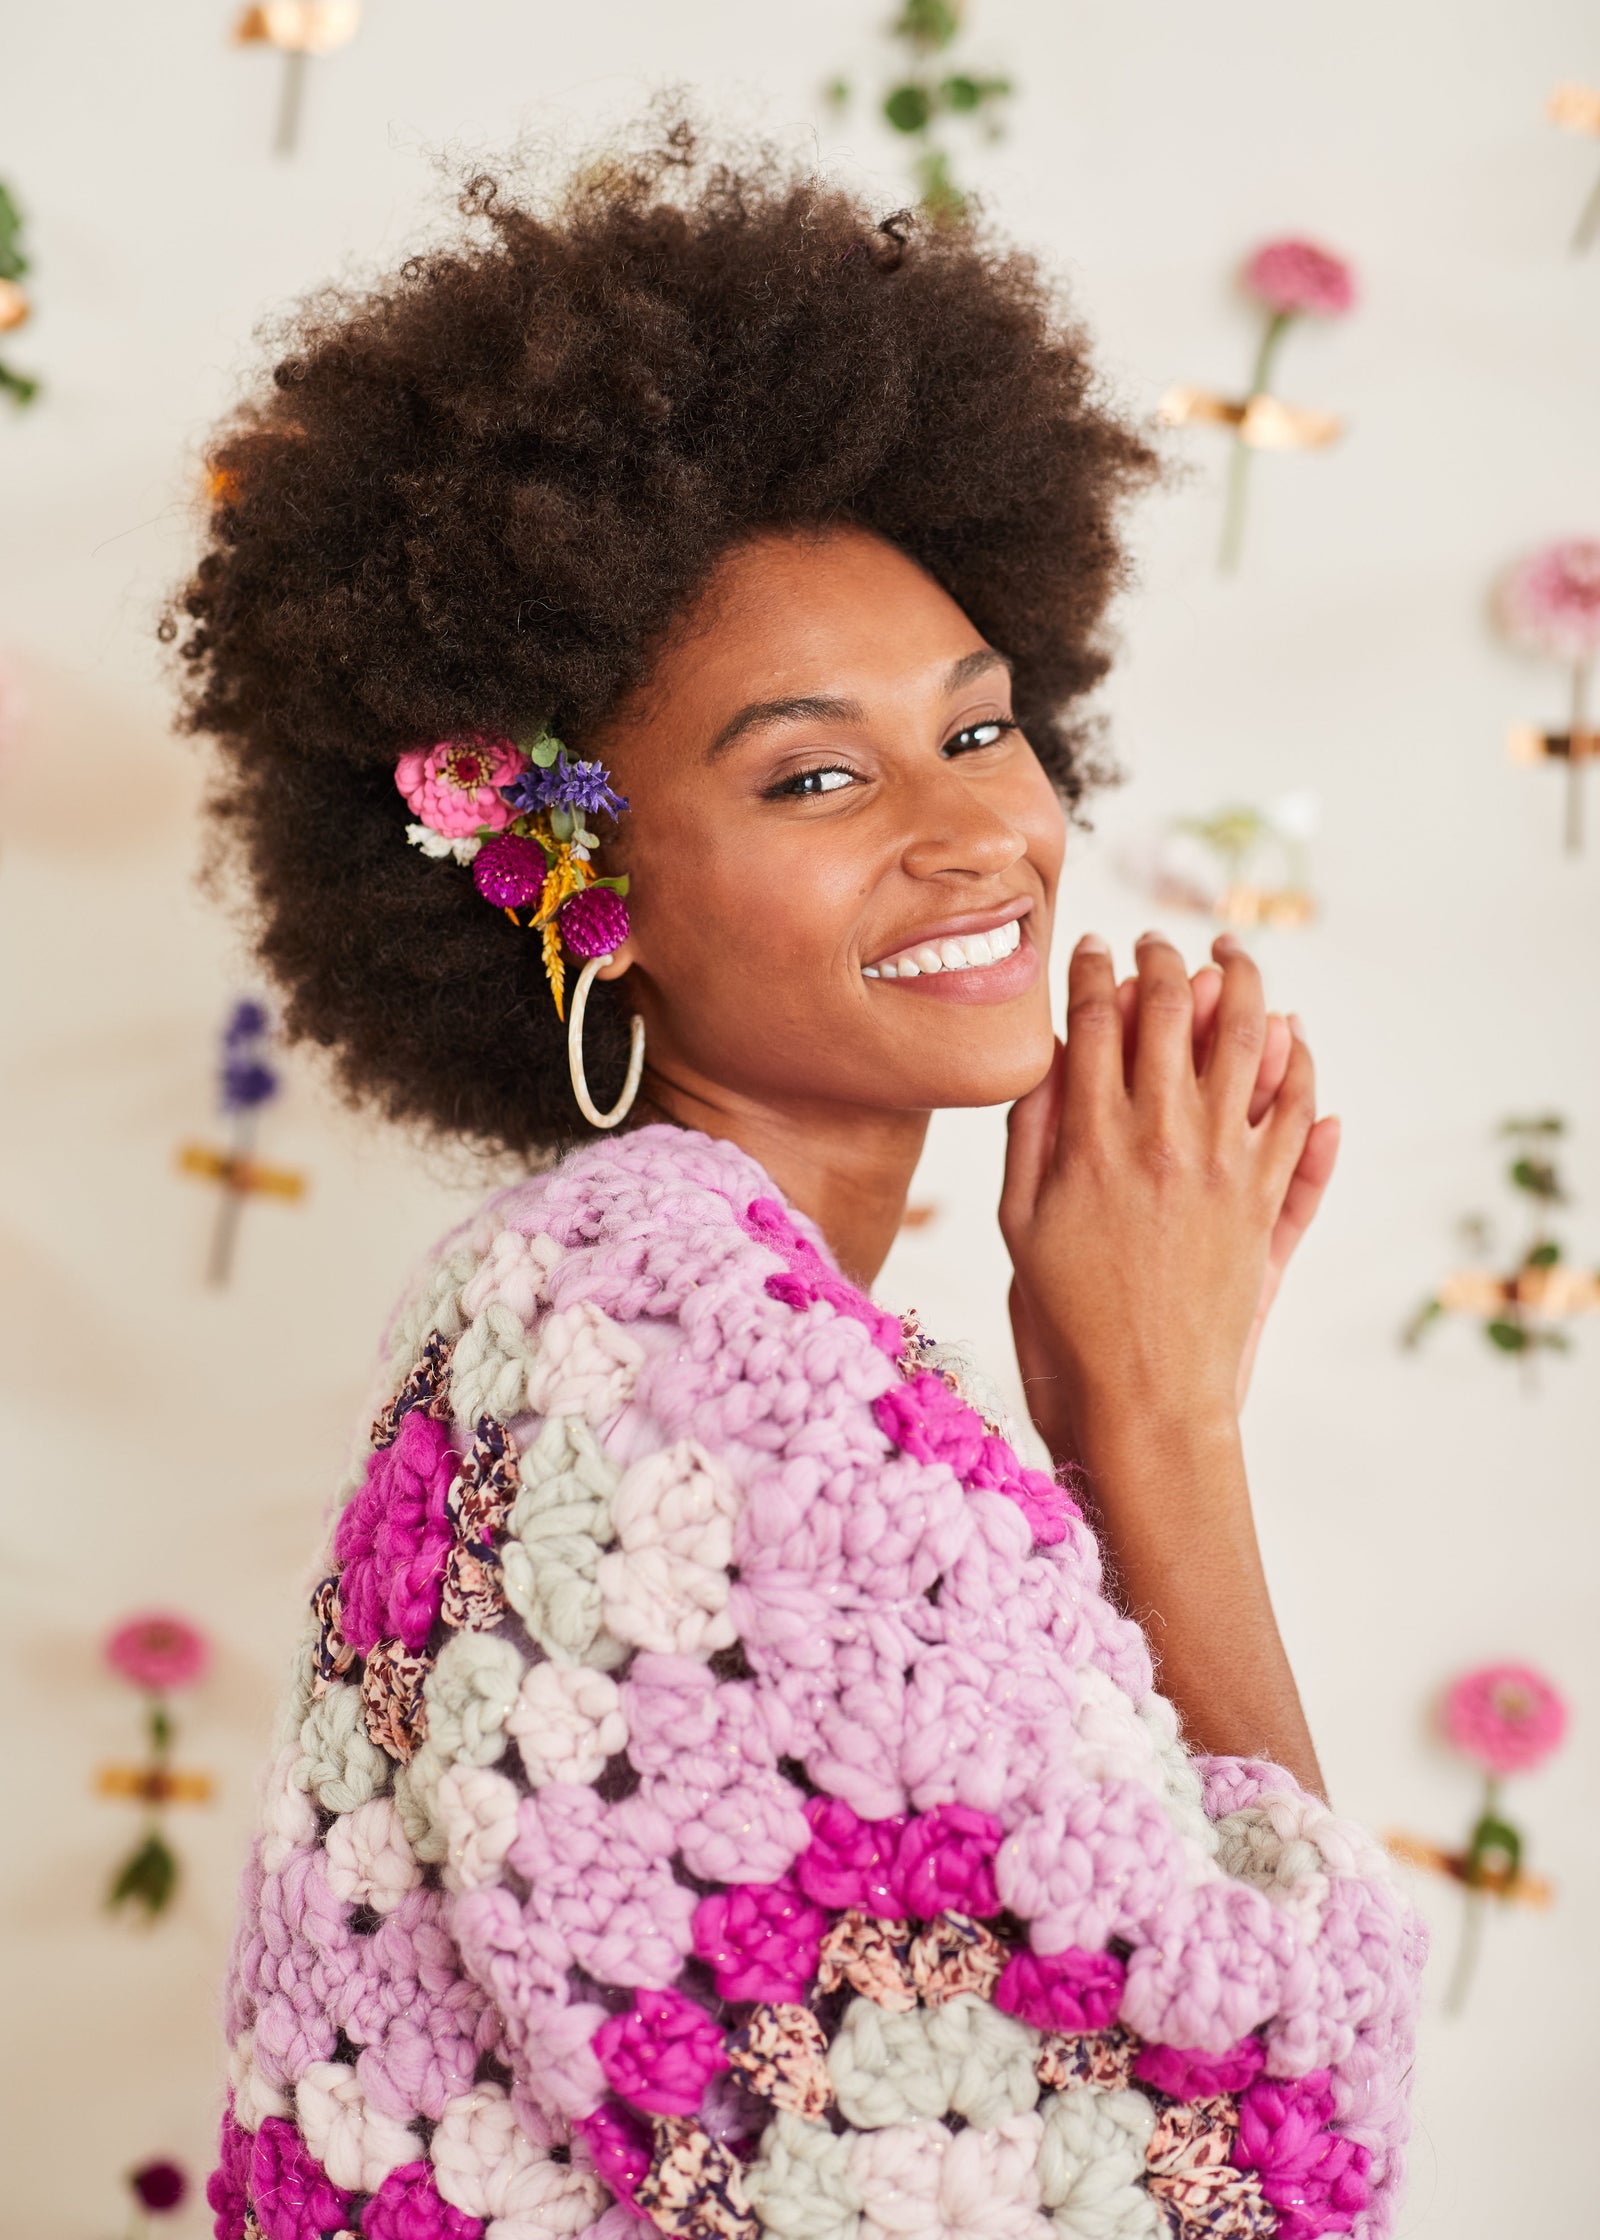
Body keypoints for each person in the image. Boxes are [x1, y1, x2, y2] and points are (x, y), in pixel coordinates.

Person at [173, 114, 1422, 2240]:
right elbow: (1252, 2152)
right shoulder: (668, 1356)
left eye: (978, 724)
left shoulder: (617, 1307)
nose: (972, 830)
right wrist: (1159, 1422)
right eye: (814, 772)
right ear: (582, 887)